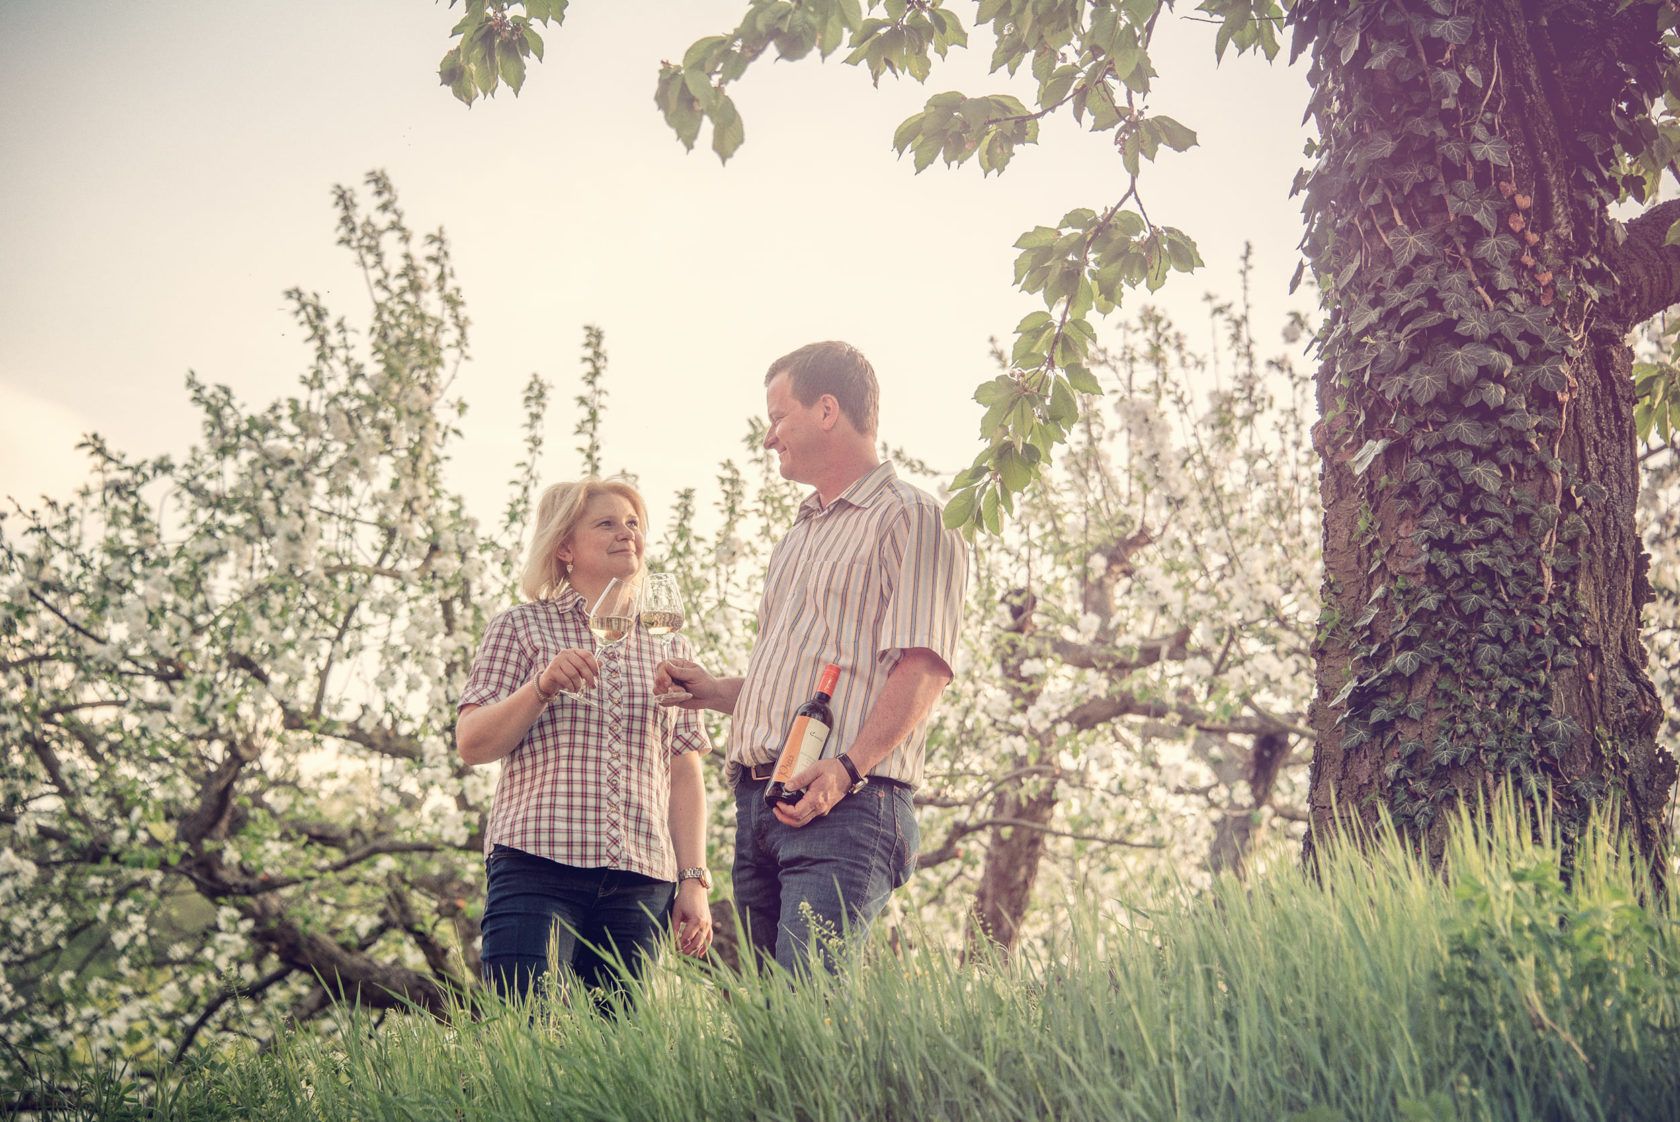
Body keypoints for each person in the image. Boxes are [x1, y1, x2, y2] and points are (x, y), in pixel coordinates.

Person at [657, 340, 967, 974]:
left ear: (828, 410)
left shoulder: (913, 516)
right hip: (760, 807)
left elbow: (925, 666)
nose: (769, 438)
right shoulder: (798, 535)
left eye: (778, 417)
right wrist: (712, 690)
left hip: (847, 807)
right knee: (769, 1025)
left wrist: (846, 770)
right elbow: (801, 686)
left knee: (808, 1012)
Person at [457, 478, 713, 1002]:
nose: (627, 534)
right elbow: (472, 744)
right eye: (607, 523)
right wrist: (542, 686)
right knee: (522, 1033)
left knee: (617, 1057)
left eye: (634, 523)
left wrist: (693, 879)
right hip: (538, 864)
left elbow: (684, 769)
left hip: (642, 876)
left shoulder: (669, 644)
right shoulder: (521, 629)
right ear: (565, 548)